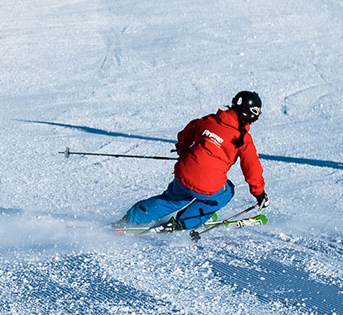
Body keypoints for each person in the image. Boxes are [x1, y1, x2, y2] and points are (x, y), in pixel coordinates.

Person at [111, 91, 269, 231]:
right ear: (250, 114)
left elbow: (186, 134)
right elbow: (252, 168)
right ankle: (184, 223)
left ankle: (129, 220)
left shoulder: (209, 120)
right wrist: (259, 194)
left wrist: (182, 150)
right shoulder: (243, 139)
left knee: (171, 200)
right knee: (226, 192)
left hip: (184, 174)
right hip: (208, 184)